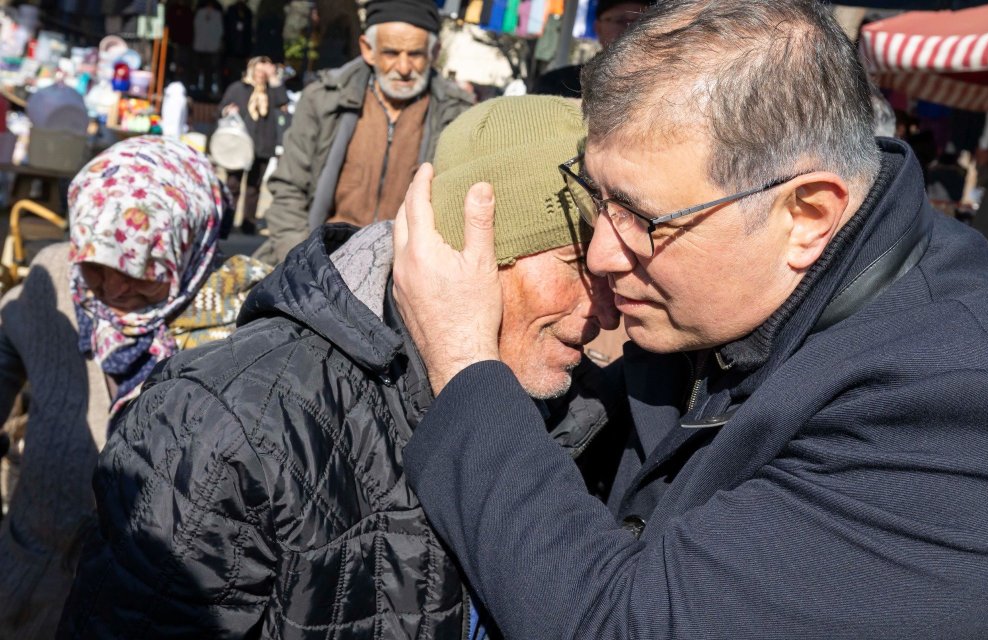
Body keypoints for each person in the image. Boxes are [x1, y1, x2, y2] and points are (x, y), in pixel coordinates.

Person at [390, 1, 988, 637]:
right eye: (594, 194)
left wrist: (463, 364)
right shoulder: (746, 295)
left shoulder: (971, 417)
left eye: (641, 217)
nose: (604, 253)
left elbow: (622, 623)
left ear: (808, 215)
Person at [58, 97, 623, 640]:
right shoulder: (227, 427)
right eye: (577, 264)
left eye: (618, 273)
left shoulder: (584, 410)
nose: (603, 309)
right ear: (463, 250)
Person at [0, 135, 269, 640]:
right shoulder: (56, 277)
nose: (116, 290)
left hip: (129, 616)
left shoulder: (232, 331)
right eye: (97, 266)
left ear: (189, 248)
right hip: (23, 580)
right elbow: (7, 345)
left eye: (143, 270)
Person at [254, 0, 473, 266]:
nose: (403, 68)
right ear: (368, 50)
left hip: (404, 277)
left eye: (415, 54)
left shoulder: (457, 115)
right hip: (320, 263)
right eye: (391, 53)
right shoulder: (323, 100)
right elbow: (289, 191)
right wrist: (306, 267)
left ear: (434, 52)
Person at [219, 56, 290, 235]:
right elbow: (220, 109)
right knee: (232, 185)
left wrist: (273, 78)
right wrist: (227, 110)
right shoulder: (238, 88)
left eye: (263, 72)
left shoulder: (272, 91)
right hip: (238, 145)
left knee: (254, 188)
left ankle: (248, 223)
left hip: (263, 145)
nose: (260, 75)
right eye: (257, 71)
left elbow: (283, 102)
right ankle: (226, 223)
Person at [531, 0, 652, 97]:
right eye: (619, 20)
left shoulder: (663, 87)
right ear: (598, 28)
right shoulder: (556, 85)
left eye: (641, 22)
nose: (630, 28)